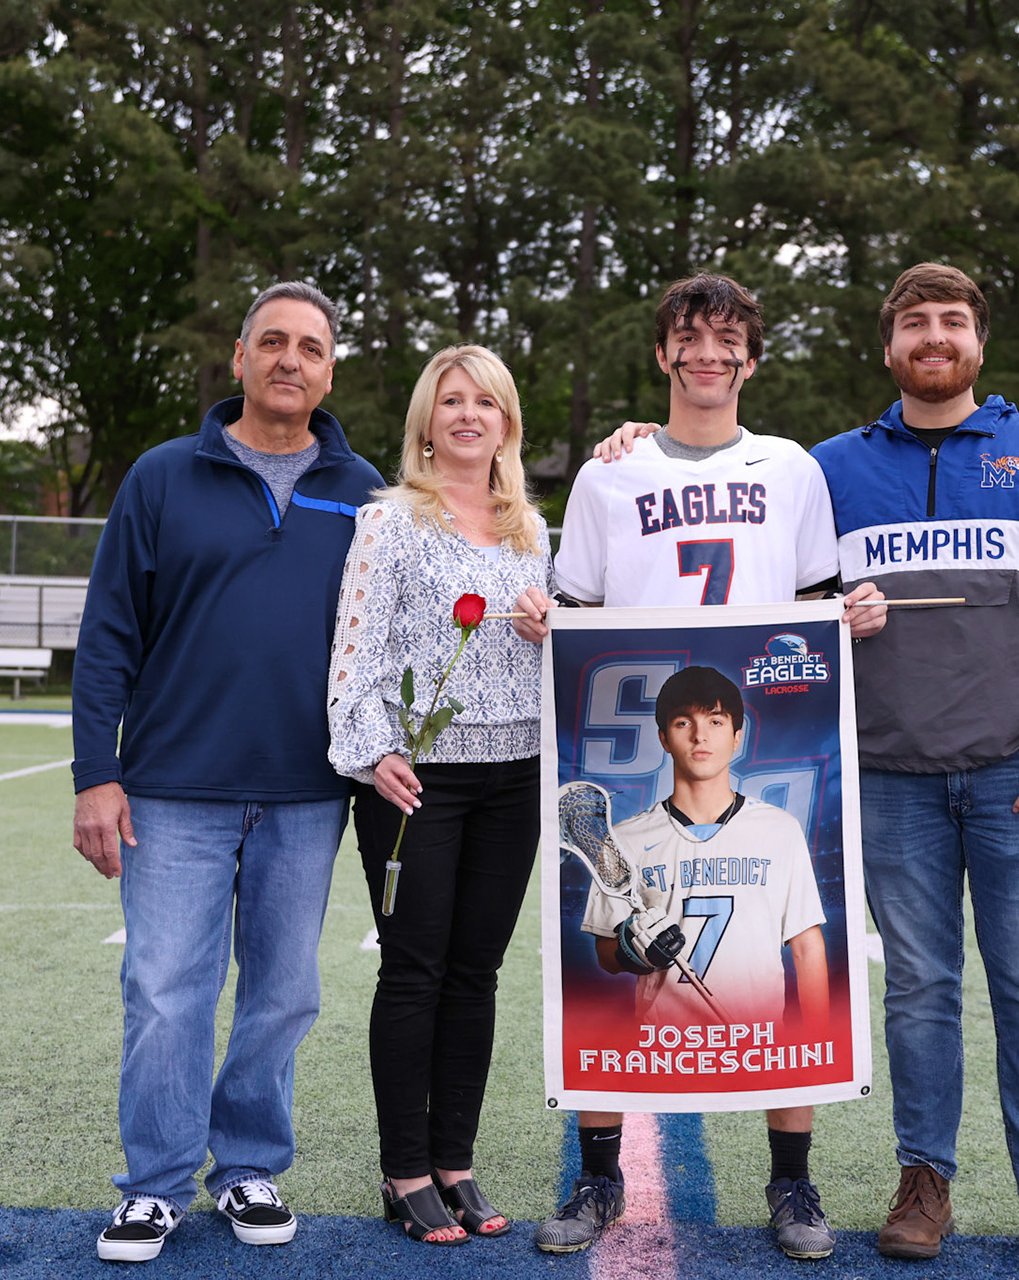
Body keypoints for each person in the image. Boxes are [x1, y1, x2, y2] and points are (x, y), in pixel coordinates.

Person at [511, 272, 886, 1260]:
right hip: (633, 729)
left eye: (728, 338)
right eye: (690, 336)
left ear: (751, 358)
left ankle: (793, 1181)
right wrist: (548, 624)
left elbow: (817, 602)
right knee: (597, 940)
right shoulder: (607, 474)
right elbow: (575, 605)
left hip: (761, 731)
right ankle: (597, 1175)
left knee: (786, 940)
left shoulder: (792, 467)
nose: (708, 353)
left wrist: (857, 613)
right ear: (665, 353)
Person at [809, 262, 1019, 1279]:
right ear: (889, 344)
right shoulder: (827, 469)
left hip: (1017, 775)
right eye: (915, 322)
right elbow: (771, 599)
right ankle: (924, 1181)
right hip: (890, 773)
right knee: (918, 988)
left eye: (952, 320)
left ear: (979, 344)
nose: (933, 335)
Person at [71, 283, 384, 1263]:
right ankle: (156, 1185)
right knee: (165, 987)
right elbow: (107, 633)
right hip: (173, 788)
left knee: (284, 990)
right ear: (239, 356)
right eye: (274, 341)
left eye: (312, 347)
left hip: (306, 791)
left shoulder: (365, 487)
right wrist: (96, 771)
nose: (292, 359)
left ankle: (248, 1163)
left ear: (332, 371)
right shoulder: (163, 477)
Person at [324, 346, 551, 1245]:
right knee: (412, 969)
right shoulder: (390, 522)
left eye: (484, 402)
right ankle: (404, 1170)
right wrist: (375, 749)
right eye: (450, 401)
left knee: (477, 971)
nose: (468, 415)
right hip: (415, 777)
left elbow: (556, 652)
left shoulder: (534, 528)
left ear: (506, 421)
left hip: (516, 778)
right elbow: (357, 649)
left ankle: (455, 1161)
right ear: (427, 421)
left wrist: (550, 628)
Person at [580, 666, 828, 1032]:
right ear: (664, 738)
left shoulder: (780, 830)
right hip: (664, 1047)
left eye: (715, 721)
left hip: (757, 1045)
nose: (700, 737)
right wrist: (633, 951)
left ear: (737, 736)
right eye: (684, 723)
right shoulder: (624, 839)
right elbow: (607, 957)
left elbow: (807, 947)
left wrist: (819, 1042)